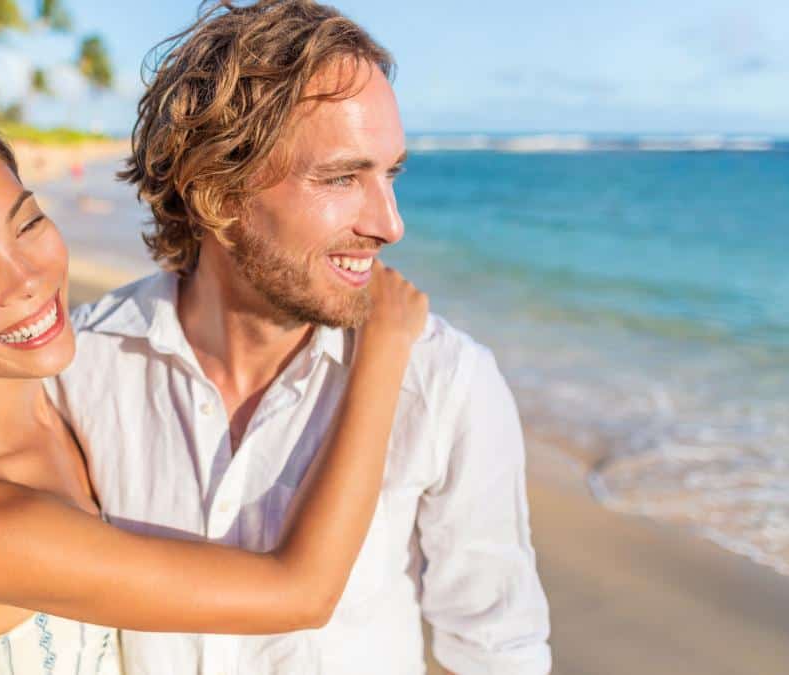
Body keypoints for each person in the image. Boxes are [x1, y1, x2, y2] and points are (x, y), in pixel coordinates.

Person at [0, 105, 429, 674]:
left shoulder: (46, 401)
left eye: (26, 223)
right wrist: (384, 345)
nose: (27, 277)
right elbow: (300, 593)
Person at [47, 1, 552, 673]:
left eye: (390, 173)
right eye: (343, 177)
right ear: (217, 196)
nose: (390, 223)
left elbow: (497, 652)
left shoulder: (445, 379)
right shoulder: (78, 368)